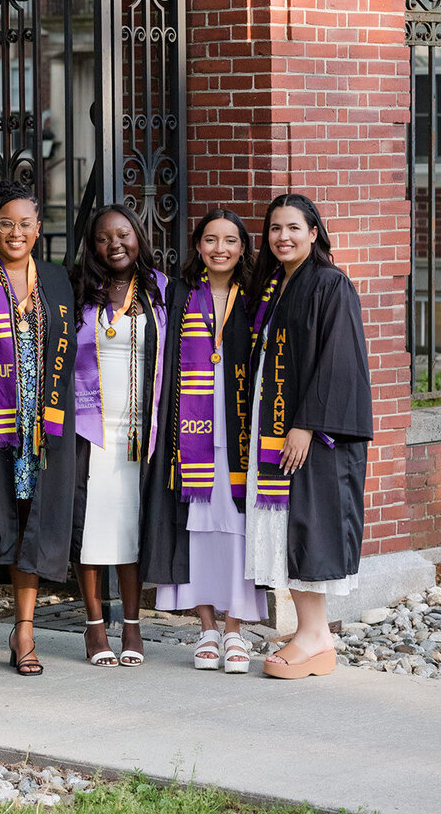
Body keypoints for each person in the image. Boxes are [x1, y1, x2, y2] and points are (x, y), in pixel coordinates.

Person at [245, 194, 373, 680]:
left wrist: (304, 423)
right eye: (275, 229)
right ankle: (309, 633)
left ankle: (316, 637)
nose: (283, 237)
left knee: (307, 528)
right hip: (278, 430)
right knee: (288, 530)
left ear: (313, 232)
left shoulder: (330, 284)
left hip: (315, 438)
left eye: (293, 228)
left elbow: (338, 361)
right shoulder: (277, 285)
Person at [141, 209, 267, 673]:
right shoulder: (179, 295)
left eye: (230, 240)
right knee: (195, 530)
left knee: (235, 532)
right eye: (211, 239)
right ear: (197, 246)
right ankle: (207, 629)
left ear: (242, 249)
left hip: (238, 433)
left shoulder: (255, 298)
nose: (220, 248)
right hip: (189, 436)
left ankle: (235, 630)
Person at [0, 181, 76, 676]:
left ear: (38, 228)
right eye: (6, 222)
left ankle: (23, 630)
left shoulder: (55, 279)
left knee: (32, 523)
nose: (16, 232)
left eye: (25, 223)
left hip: (39, 425)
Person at [71, 204, 168, 667]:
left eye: (124, 234)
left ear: (138, 237)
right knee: (89, 528)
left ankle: (132, 625)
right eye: (105, 238)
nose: (116, 245)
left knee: (130, 527)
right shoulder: (79, 293)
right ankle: (94, 627)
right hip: (89, 428)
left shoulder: (160, 290)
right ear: (93, 245)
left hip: (138, 430)